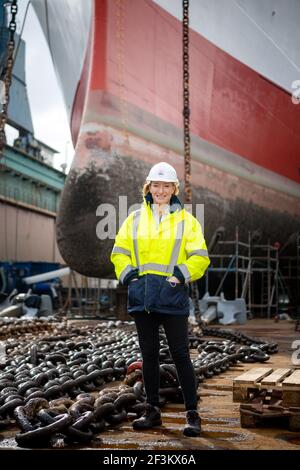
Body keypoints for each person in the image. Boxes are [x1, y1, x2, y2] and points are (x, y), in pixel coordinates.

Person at [110, 161, 210, 436]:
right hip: (143, 299)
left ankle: (192, 414)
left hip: (172, 296)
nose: (161, 190)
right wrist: (128, 274)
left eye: (166, 186)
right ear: (149, 187)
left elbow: (200, 257)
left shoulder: (187, 221)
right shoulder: (134, 219)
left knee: (180, 356)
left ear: (174, 189)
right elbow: (119, 252)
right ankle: (151, 411)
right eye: (157, 185)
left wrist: (181, 273)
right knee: (149, 356)